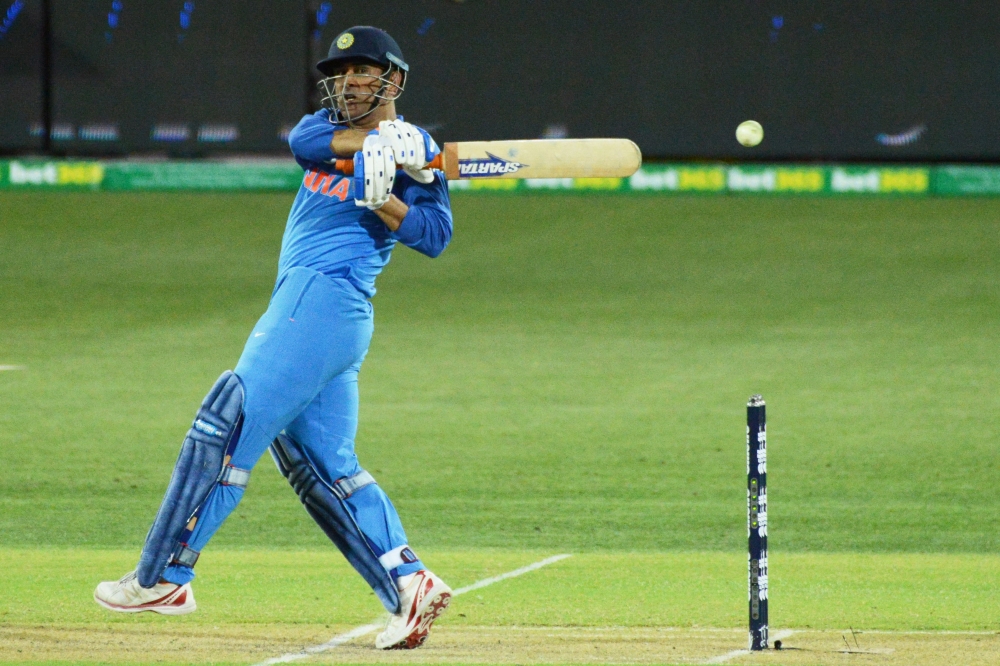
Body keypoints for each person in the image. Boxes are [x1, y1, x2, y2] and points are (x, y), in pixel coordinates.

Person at [94, 26, 454, 650]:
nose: (347, 84)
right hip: (326, 317)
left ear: (393, 80)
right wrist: (376, 148)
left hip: (321, 301)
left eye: (362, 73)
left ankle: (163, 575)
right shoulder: (326, 130)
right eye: (340, 74)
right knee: (322, 467)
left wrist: (390, 195)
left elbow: (433, 237)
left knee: (226, 423)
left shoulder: (420, 159)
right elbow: (305, 142)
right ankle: (408, 583)